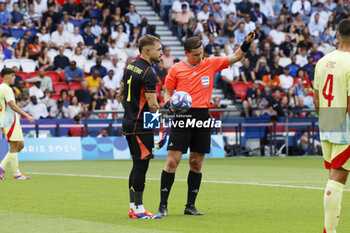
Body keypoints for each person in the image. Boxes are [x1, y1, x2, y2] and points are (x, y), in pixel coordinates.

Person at [158, 32, 255, 216]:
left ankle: (190, 206)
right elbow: (167, 93)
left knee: (196, 163)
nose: (199, 57)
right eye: (195, 54)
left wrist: (246, 43)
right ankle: (163, 205)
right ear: (187, 53)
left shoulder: (209, 63)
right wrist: (170, 104)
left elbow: (236, 57)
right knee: (172, 161)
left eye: (201, 53)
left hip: (202, 116)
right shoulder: (176, 69)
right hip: (183, 116)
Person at [118, 35, 163, 219]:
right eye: (159, 49)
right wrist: (161, 122)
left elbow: (121, 93)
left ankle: (133, 207)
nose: (161, 52)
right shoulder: (148, 73)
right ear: (147, 50)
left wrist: (130, 111)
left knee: (136, 164)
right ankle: (138, 209)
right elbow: (152, 105)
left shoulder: (130, 66)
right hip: (141, 126)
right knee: (141, 166)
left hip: (129, 122)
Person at [313, 18, 350, 233]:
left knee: (335, 177)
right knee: (338, 177)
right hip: (345, 123)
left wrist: (325, 120)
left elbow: (316, 99)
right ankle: (329, 230)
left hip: (327, 120)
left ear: (337, 36)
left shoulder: (323, 61)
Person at [0, 68, 34, 180]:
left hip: (11, 120)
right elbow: (12, 105)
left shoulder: (2, 88)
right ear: (5, 76)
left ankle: (1, 166)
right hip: (9, 120)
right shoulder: (6, 89)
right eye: (12, 75)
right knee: (14, 146)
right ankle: (16, 174)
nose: (14, 78)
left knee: (20, 145)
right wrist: (27, 115)